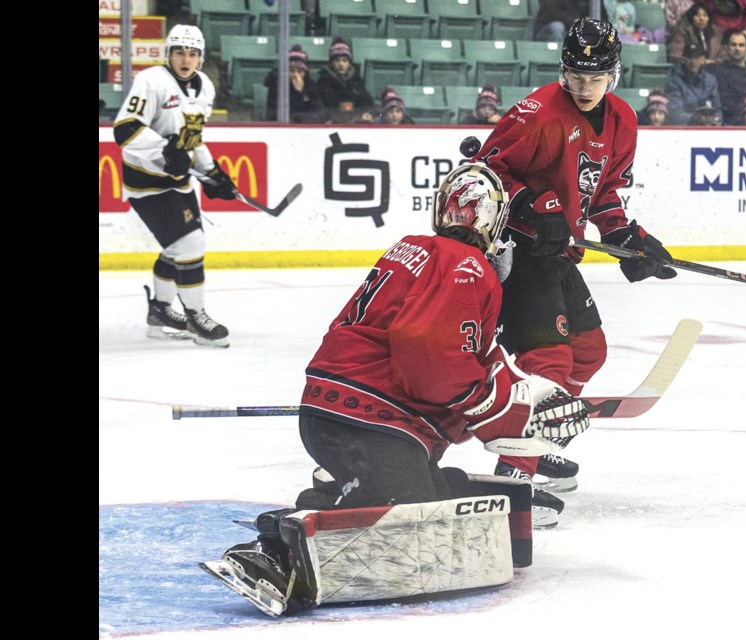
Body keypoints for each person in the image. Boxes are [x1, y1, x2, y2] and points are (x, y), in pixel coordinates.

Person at [201, 163, 590, 615]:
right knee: (406, 512)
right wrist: (498, 408)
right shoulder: (468, 266)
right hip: (371, 423)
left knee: (430, 500)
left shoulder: (412, 249)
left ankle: (340, 487)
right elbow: (429, 358)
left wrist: (513, 402)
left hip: (343, 413)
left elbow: (455, 360)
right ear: (493, 221)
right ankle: (274, 549)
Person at [472, 18, 677, 520]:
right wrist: (531, 206)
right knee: (550, 362)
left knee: (588, 352)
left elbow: (602, 192)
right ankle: (513, 475)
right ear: (563, 72)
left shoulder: (624, 120)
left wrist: (625, 236)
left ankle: (537, 442)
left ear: (615, 74)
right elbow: (485, 169)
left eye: (596, 76)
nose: (585, 87)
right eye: (576, 75)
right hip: (515, 250)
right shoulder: (536, 112)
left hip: (559, 254)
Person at [113, 24, 234, 348]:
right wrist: (165, 149)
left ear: (200, 57)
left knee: (178, 248)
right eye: (179, 51)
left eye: (193, 53)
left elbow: (193, 140)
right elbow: (125, 130)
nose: (186, 58)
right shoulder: (151, 81)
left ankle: (161, 312)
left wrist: (213, 172)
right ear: (169, 54)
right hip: (147, 182)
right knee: (191, 246)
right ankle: (197, 317)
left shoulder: (204, 86)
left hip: (177, 182)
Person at [316, 36, 375, 124]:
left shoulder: (357, 81)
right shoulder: (322, 82)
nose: (341, 64)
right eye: (337, 61)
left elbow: (368, 104)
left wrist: (366, 114)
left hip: (355, 124)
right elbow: (320, 108)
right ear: (331, 63)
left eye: (344, 60)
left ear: (349, 63)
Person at [665, 41, 724, 125]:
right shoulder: (674, 82)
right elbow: (675, 114)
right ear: (683, 59)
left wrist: (716, 121)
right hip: (685, 130)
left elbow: (717, 109)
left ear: (703, 59)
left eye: (697, 57)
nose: (693, 61)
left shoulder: (711, 80)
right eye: (689, 57)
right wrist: (696, 119)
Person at [263, 44, 325, 123]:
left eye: (300, 71)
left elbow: (318, 112)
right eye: (292, 71)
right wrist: (297, 93)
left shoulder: (310, 85)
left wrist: (301, 92)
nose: (296, 75)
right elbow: (274, 113)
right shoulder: (276, 84)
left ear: (305, 73)